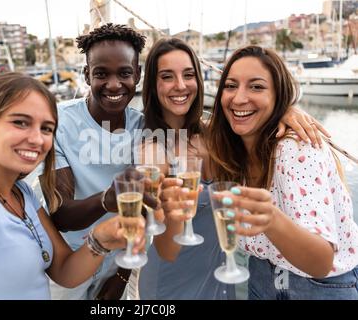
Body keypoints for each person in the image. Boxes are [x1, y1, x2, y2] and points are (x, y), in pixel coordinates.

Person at [0, 72, 145, 300]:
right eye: (21, 122)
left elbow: (65, 271)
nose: (36, 139)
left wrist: (102, 238)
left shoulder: (23, 194)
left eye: (46, 128)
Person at [139, 38, 334, 300]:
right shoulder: (152, 152)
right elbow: (166, 250)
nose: (181, 85)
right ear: (153, 85)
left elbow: (249, 113)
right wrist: (174, 213)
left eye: (188, 74)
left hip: (224, 275)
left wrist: (285, 111)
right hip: (174, 283)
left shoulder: (217, 135)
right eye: (166, 76)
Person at [205, 45, 358, 299]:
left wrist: (270, 218)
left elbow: (321, 262)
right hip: (260, 277)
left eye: (256, 87)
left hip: (317, 288)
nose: (239, 98)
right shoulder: (230, 147)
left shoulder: (296, 150)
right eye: (231, 86)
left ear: (279, 96)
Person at [44, 23, 152, 300]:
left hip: (123, 257)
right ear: (86, 75)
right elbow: (61, 215)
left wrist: (120, 276)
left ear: (137, 75)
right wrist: (106, 199)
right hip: (69, 261)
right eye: (101, 74)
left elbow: (142, 209)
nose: (114, 84)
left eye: (125, 73)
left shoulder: (144, 128)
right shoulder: (60, 122)